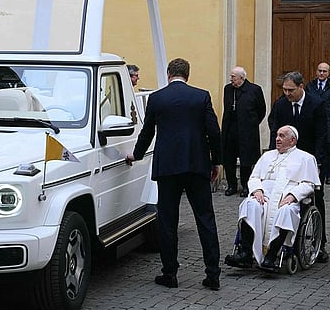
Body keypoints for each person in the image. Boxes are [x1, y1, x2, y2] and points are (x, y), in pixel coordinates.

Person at [125, 58, 222, 291]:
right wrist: (216, 162)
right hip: (197, 165)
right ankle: (213, 274)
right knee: (205, 219)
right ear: (187, 74)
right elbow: (214, 132)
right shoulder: (202, 96)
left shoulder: (157, 98)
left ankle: (170, 273)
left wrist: (136, 155)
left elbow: (147, 132)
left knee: (168, 222)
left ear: (169, 73)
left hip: (167, 167)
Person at [225, 125, 320, 272]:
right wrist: (257, 190)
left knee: (286, 212)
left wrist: (293, 196)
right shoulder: (267, 156)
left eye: (282, 136)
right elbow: (254, 177)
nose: (277, 139)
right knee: (250, 205)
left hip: (287, 197)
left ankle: (271, 256)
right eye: (277, 135)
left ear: (293, 140)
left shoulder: (306, 158)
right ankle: (245, 253)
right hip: (265, 195)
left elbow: (309, 184)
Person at [268, 71, 328, 263]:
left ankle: (321, 244)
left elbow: (322, 136)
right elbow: (274, 131)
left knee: (316, 198)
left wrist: (318, 163)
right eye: (284, 90)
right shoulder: (281, 105)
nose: (287, 93)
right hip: (286, 160)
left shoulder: (316, 104)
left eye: (291, 90)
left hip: (310, 159)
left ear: (301, 87)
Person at [222, 66, 266, 197]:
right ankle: (232, 185)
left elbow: (261, 110)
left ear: (241, 78)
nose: (231, 79)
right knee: (228, 159)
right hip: (230, 129)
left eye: (233, 77)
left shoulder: (254, 90)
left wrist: (252, 123)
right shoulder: (228, 89)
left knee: (246, 160)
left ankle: (246, 186)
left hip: (247, 131)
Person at [305, 62, 330, 186]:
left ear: (328, 73)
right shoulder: (310, 86)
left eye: (324, 71)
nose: (321, 73)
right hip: (314, 122)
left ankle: (328, 174)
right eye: (319, 70)